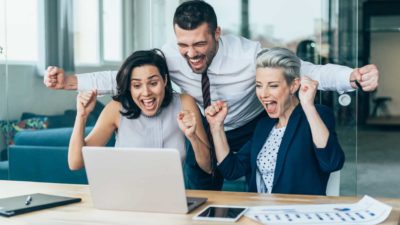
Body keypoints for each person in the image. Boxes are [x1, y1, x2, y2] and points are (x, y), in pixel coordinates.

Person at [44, 1, 377, 190]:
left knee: (256, 179)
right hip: (205, 126)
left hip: (250, 125)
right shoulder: (171, 56)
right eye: (184, 45)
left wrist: (351, 76)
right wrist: (71, 81)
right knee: (201, 187)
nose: (191, 54)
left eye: (200, 44)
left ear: (217, 33)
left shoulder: (249, 54)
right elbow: (126, 77)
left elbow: (305, 70)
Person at [205, 47, 344, 195]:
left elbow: (331, 163)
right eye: (259, 85)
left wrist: (308, 105)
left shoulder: (316, 115)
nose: (263, 94)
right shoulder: (264, 126)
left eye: (273, 85)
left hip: (298, 214)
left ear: (294, 85)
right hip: (259, 212)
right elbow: (231, 170)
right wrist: (216, 126)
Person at [68, 49, 211, 173]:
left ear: (165, 80)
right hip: (126, 196)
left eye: (153, 83)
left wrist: (192, 137)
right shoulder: (115, 109)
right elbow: (76, 163)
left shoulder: (184, 103)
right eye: (137, 85)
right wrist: (81, 116)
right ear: (130, 87)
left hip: (169, 198)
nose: (146, 92)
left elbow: (208, 166)